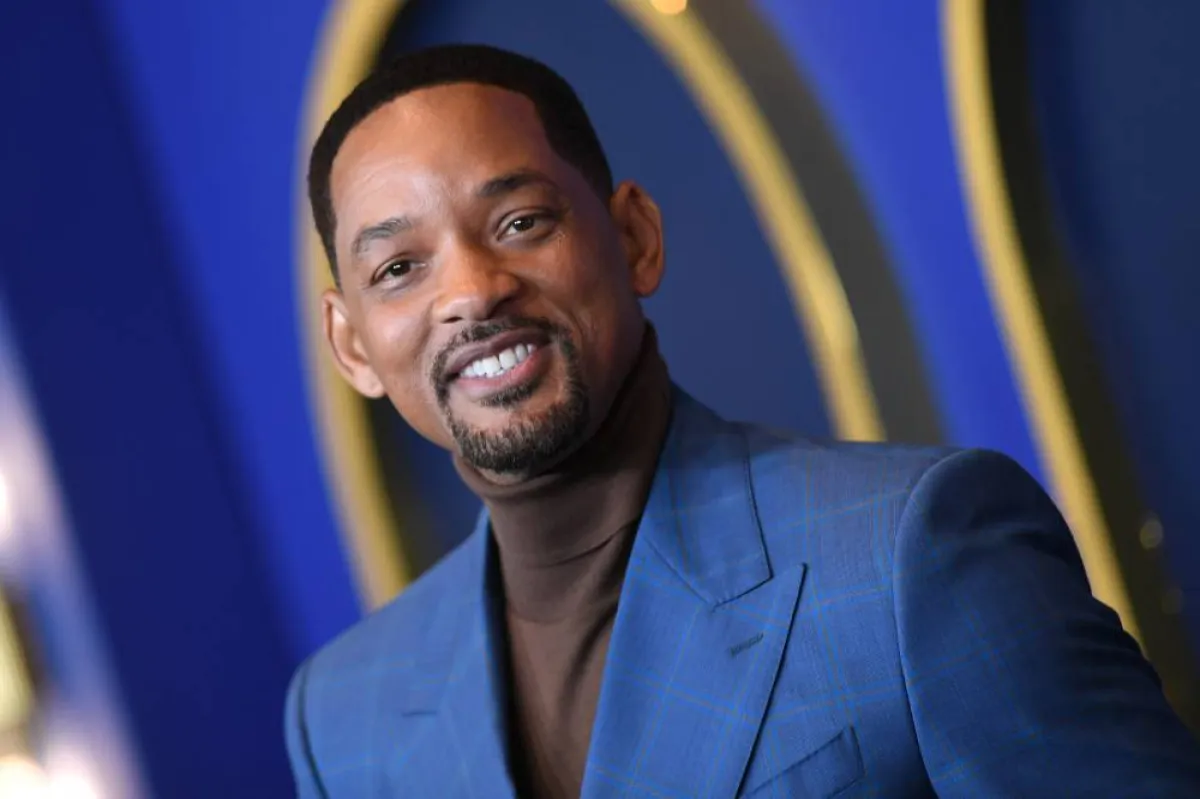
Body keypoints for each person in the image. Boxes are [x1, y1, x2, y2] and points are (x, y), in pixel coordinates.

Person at [285, 44, 1200, 798]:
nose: (472, 291)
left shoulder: (915, 553)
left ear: (635, 238)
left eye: (520, 221)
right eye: (398, 269)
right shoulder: (340, 717)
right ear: (352, 345)